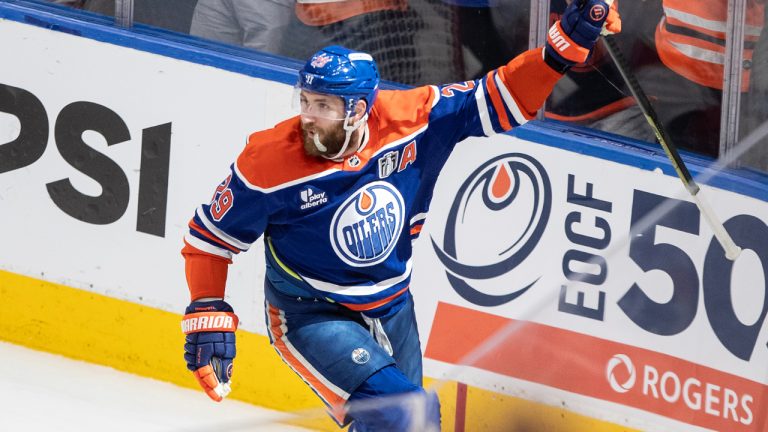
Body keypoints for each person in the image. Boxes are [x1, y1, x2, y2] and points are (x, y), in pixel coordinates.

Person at [180, 0, 621, 430]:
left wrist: (562, 48)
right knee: (404, 412)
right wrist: (207, 310)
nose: (309, 118)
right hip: (311, 312)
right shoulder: (269, 161)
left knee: (416, 425)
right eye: (307, 101)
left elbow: (500, 94)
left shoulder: (414, 119)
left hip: (393, 304)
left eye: (324, 106)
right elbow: (208, 240)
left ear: (359, 109)